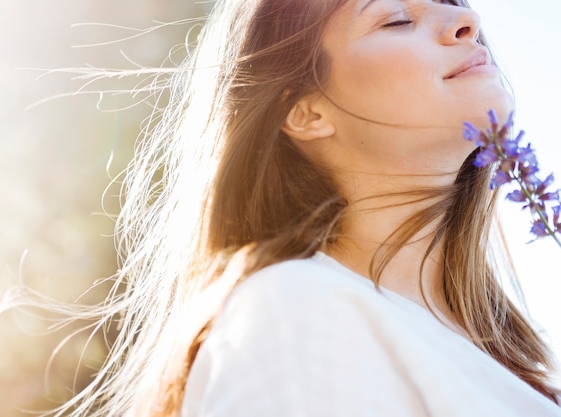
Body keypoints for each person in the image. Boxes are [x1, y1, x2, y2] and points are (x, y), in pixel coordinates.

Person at [51, 0, 561, 416]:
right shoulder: (295, 309)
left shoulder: (504, 363)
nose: (466, 21)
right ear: (307, 112)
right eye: (396, 19)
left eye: (449, 2)